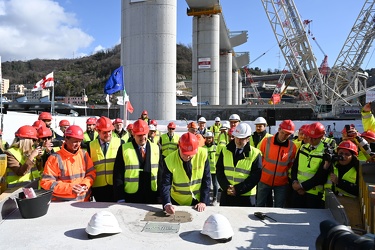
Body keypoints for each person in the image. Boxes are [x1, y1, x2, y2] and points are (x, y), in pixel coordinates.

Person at [40, 125, 96, 202]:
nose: (78, 144)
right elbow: (46, 182)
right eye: (75, 141)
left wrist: (85, 184)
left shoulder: (84, 154)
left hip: (83, 202)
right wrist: (70, 188)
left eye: (80, 141)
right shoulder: (54, 158)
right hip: (62, 204)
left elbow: (91, 173)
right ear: (66, 140)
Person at [113, 119, 162, 204]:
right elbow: (118, 174)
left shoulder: (156, 148)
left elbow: (161, 173)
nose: (142, 138)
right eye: (139, 135)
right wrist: (120, 197)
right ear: (133, 134)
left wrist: (160, 195)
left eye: (144, 134)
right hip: (131, 196)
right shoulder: (124, 149)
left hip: (151, 195)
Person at [161, 132, 211, 214]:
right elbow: (165, 184)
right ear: (179, 147)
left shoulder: (203, 155)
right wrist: (167, 203)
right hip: (177, 201)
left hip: (198, 200)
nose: (188, 157)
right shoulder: (169, 160)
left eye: (190, 154)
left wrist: (203, 201)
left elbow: (207, 180)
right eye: (185, 153)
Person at [216, 122, 262, 207]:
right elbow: (219, 170)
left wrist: (237, 189)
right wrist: (226, 187)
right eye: (237, 137)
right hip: (227, 194)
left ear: (248, 139)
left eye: (242, 138)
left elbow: (255, 177)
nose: (238, 141)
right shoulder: (225, 150)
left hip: (246, 196)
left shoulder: (255, 154)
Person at [256, 120, 297, 207]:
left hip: (281, 183)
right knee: (259, 205)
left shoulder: (292, 147)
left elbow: (291, 164)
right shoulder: (266, 141)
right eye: (283, 133)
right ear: (279, 129)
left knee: (279, 208)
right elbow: (259, 158)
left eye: (287, 134)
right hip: (264, 180)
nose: (284, 136)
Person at [290, 122, 331, 209]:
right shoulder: (303, 147)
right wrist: (294, 182)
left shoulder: (326, 152)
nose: (311, 140)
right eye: (309, 137)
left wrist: (302, 187)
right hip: (297, 191)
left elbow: (321, 176)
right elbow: (295, 167)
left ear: (321, 137)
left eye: (314, 138)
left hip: (314, 194)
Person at [87, 116, 122, 202]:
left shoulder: (120, 142)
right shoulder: (91, 145)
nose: (108, 135)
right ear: (98, 131)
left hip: (115, 186)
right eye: (104, 132)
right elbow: (88, 168)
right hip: (98, 187)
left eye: (109, 131)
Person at [328, 140, 362, 229]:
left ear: (353, 156)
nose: (343, 156)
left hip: (352, 204)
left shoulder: (358, 169)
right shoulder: (333, 165)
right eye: (341, 153)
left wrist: (339, 182)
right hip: (334, 201)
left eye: (347, 154)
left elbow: (357, 190)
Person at [203, 131, 218, 205]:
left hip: (214, 169)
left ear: (212, 139)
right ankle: (206, 197)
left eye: (210, 138)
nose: (209, 139)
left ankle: (215, 198)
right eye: (207, 138)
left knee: (215, 185)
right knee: (206, 184)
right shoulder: (203, 148)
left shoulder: (216, 147)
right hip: (206, 170)